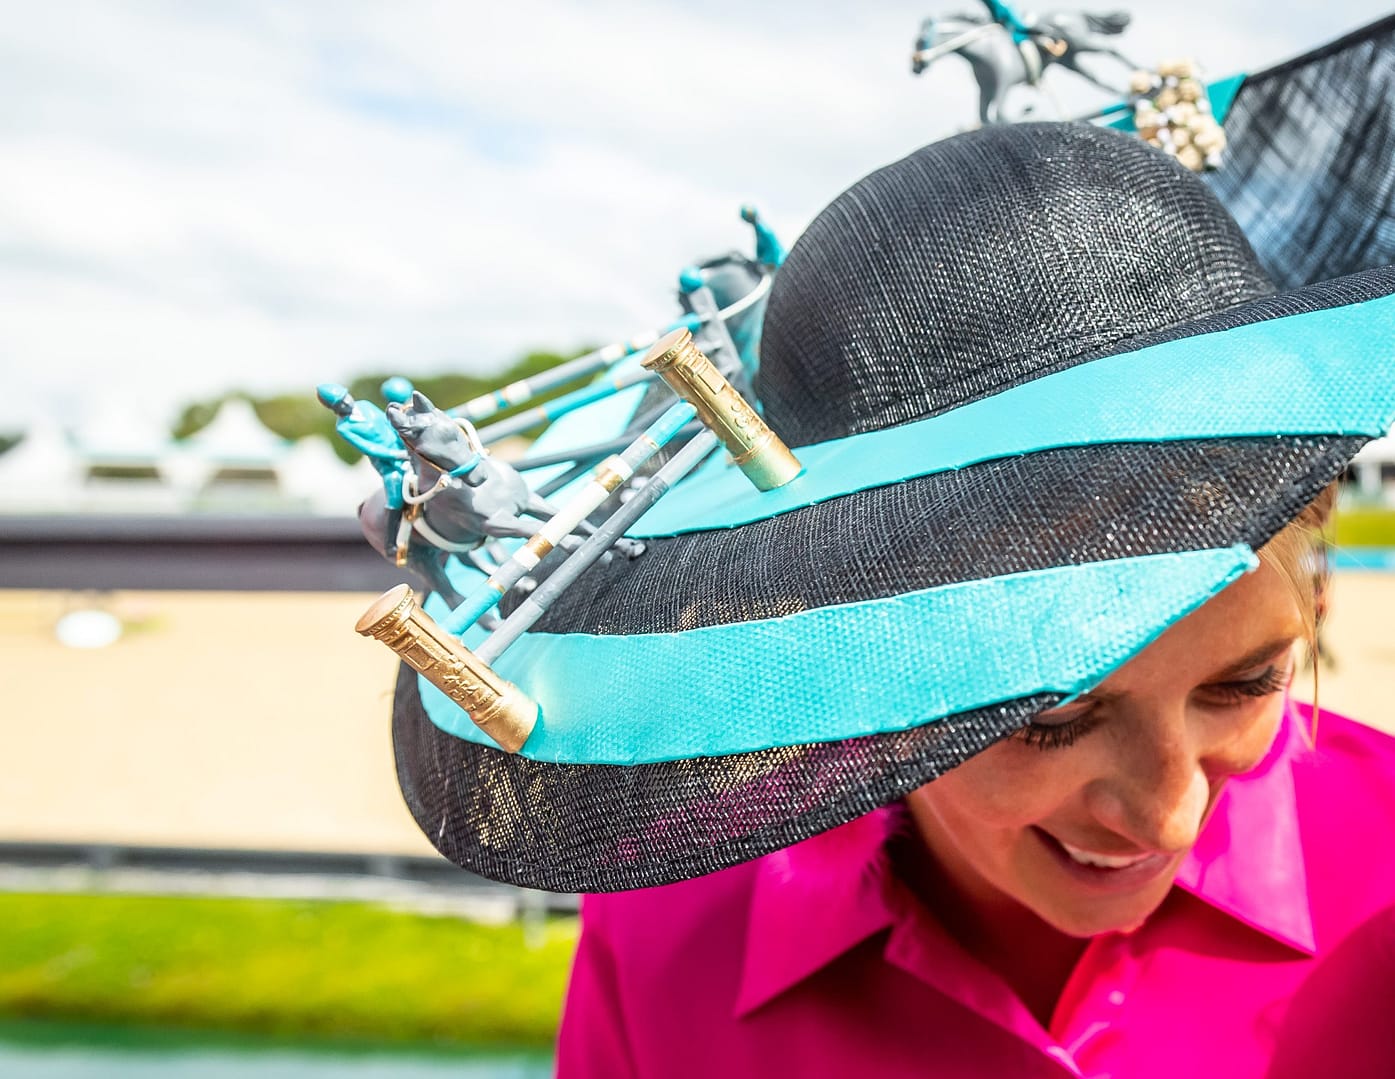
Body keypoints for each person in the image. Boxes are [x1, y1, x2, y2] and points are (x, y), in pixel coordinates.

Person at [379, 123, 1395, 1075]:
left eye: (1247, 682)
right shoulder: (668, 938)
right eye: (1046, 716)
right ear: (860, 660)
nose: (1168, 812)